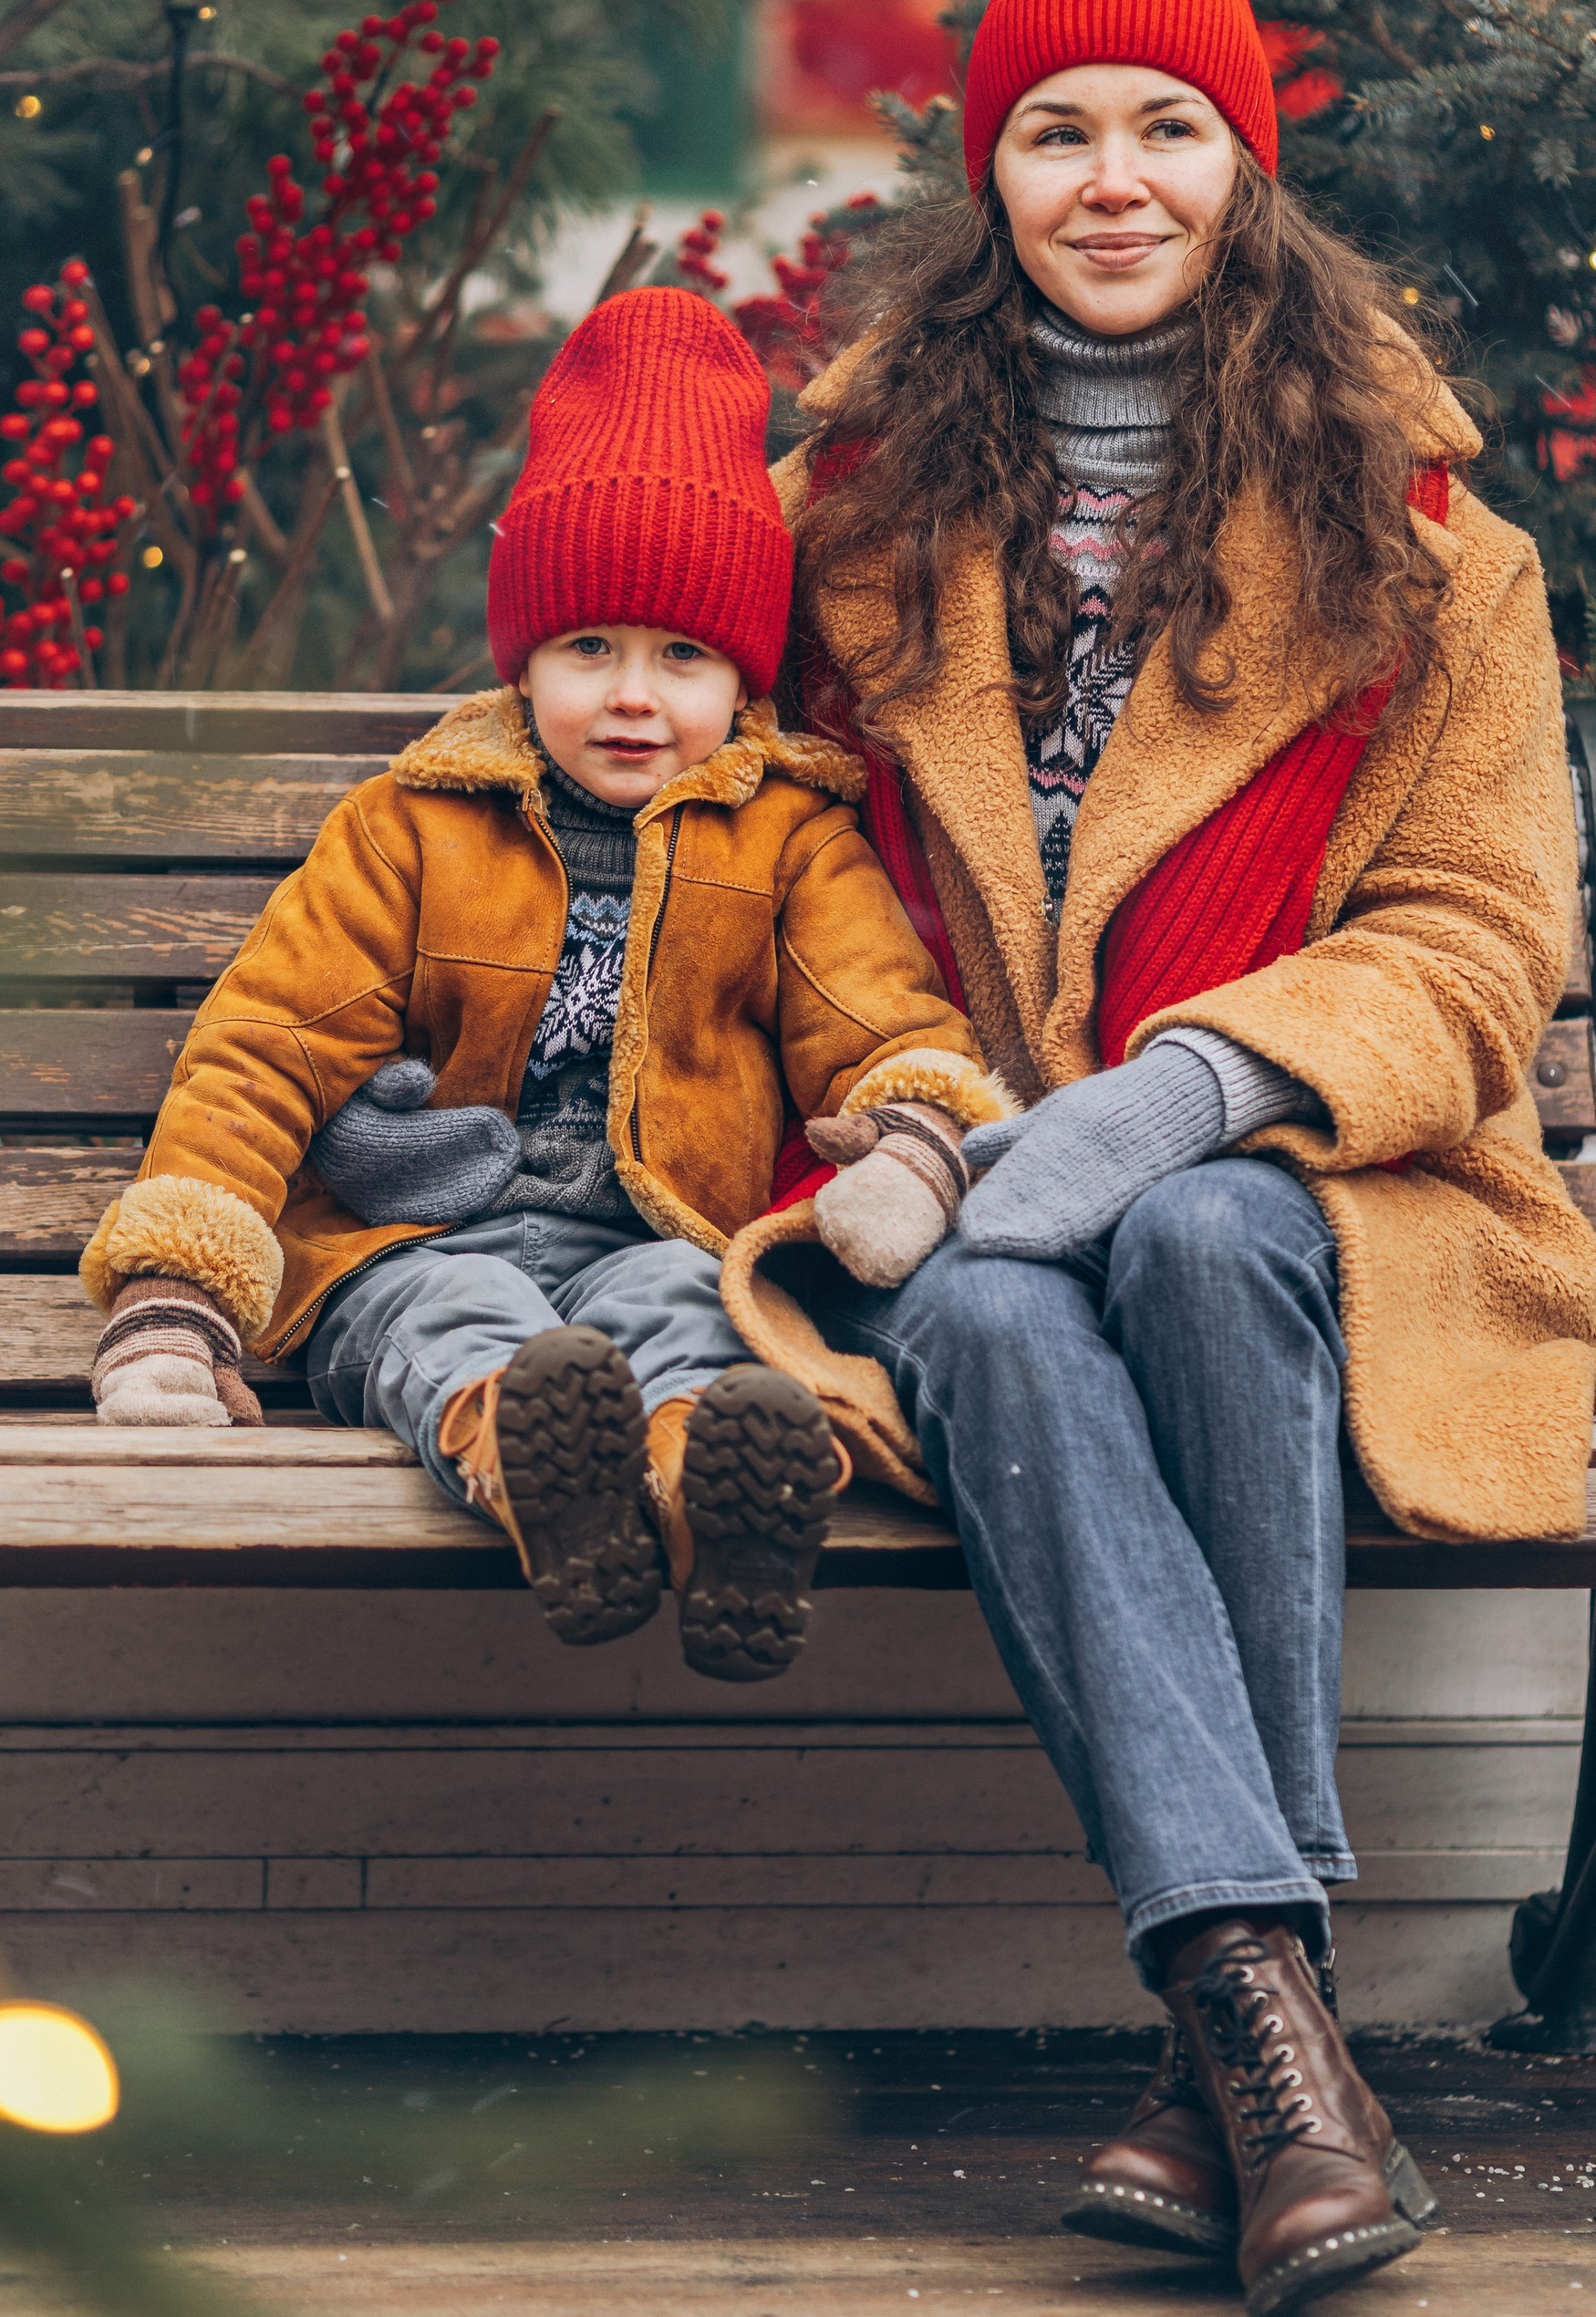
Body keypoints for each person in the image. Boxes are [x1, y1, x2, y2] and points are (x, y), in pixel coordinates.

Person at [725, 0, 1596, 2317]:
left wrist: (1179, 1096)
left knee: (1199, 1237)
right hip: (930, 1202)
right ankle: (1272, 2027)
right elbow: (771, 866)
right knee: (1005, 1319)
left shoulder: (1438, 555)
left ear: (1245, 168)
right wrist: (944, 1126)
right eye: (1056, 132)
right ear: (986, 180)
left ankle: (1222, 2028)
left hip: (1324, 1195)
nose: (1115, 180)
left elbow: (1473, 943)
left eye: (1171, 126)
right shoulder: (851, 525)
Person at [79, 286, 1011, 1683]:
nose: (634, 697)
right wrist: (179, 1288)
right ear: (524, 657)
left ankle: (726, 1506)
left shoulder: (786, 841)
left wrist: (914, 1131)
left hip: (657, 1228)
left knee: (695, 1322)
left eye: (682, 656)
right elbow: (267, 1045)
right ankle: (548, 1483)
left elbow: (879, 1016)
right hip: (415, 1243)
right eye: (591, 649)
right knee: (452, 1328)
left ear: (743, 677)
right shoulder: (414, 825)